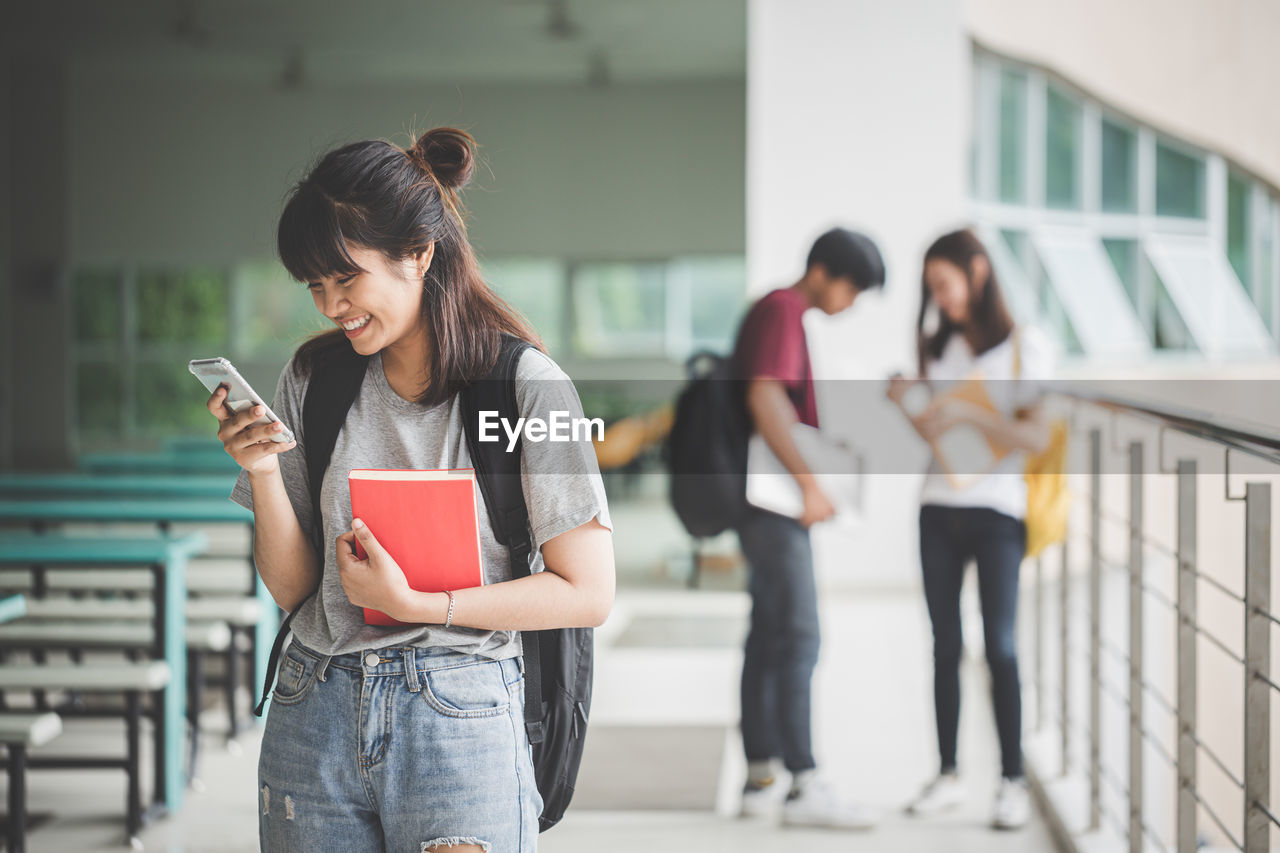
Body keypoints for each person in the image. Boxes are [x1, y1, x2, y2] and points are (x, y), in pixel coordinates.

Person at [209, 126, 615, 853]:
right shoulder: (313, 380)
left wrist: (419, 605)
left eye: (346, 278)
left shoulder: (525, 389)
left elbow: (586, 590)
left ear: (419, 254)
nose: (332, 305)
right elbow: (295, 586)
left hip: (458, 712)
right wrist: (264, 471)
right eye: (315, 285)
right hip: (314, 706)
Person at [888, 228, 1052, 830]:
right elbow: (937, 439)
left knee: (1001, 647)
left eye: (944, 285)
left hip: (999, 511)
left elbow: (1035, 438)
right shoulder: (937, 347)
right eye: (931, 289)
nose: (940, 299)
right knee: (945, 645)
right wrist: (912, 404)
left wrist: (963, 409)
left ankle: (1012, 781)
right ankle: (948, 774)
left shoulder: (1025, 347)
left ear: (977, 272)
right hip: (937, 507)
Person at [733, 227, 885, 828]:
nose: (851, 304)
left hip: (763, 504)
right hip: (774, 506)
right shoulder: (784, 311)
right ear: (825, 272)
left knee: (769, 633)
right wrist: (810, 484)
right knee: (799, 635)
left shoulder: (778, 311)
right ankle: (805, 783)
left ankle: (760, 776)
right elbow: (767, 399)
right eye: (854, 289)